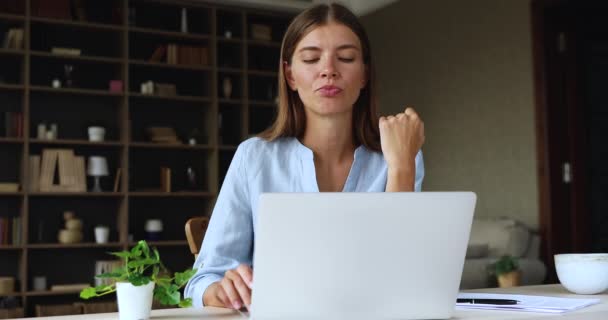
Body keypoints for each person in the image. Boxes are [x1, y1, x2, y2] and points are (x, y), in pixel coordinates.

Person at [184, 2, 425, 310]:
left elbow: (404, 277)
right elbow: (202, 279)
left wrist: (403, 166)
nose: (329, 70)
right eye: (311, 58)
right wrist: (217, 291)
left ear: (364, 74)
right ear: (291, 76)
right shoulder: (254, 158)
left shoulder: (399, 156)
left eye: (346, 58)